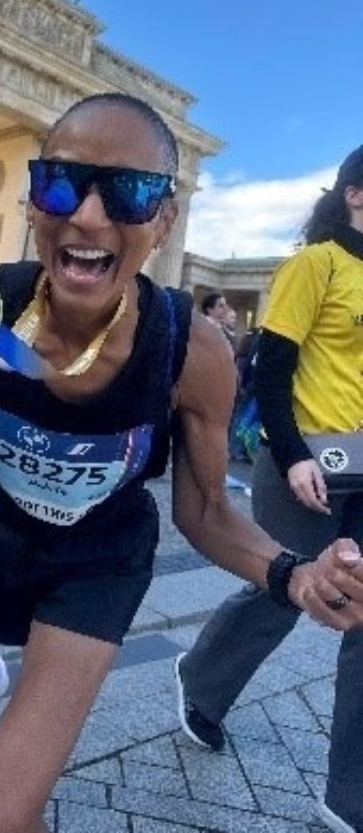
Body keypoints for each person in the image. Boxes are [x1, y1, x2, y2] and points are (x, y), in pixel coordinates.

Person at [0, 94, 363, 833]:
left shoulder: (195, 350)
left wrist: (296, 573)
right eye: (60, 182)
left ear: (163, 221)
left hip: (99, 562)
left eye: (128, 192)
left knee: (1, 817)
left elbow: (205, 512)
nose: (88, 217)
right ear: (34, 201)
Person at [174, 145, 363, 833]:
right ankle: (203, 681)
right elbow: (272, 370)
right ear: (356, 195)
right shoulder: (314, 266)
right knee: (281, 591)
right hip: (308, 462)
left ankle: (351, 799)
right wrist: (291, 459)